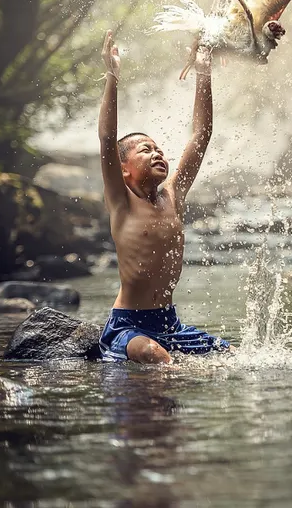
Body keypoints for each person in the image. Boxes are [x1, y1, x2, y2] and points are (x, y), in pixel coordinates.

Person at [96, 29, 230, 364]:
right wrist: (112, 77)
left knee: (230, 356)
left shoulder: (174, 195)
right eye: (146, 150)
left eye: (159, 150)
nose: (158, 154)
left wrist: (203, 68)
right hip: (128, 325)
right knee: (155, 356)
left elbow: (201, 134)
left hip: (170, 323)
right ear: (123, 168)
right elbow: (106, 137)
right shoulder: (121, 202)